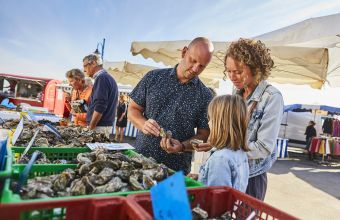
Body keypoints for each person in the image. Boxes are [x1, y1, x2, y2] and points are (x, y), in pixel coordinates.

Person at [128, 37, 214, 173]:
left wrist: (182, 146)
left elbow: (203, 135)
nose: (196, 69)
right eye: (193, 60)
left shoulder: (205, 95)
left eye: (202, 66)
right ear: (184, 52)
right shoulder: (153, 77)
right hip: (140, 161)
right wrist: (143, 124)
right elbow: (133, 110)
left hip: (175, 170)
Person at [198, 95, 249, 192]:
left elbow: (217, 200)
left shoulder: (220, 159)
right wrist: (200, 178)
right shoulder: (240, 152)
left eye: (211, 119)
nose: (208, 123)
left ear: (220, 123)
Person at [83, 54, 118, 138]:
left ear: (94, 63)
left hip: (99, 126)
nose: (84, 70)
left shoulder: (102, 78)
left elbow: (100, 106)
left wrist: (91, 127)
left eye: (85, 66)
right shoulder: (106, 77)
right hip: (102, 125)